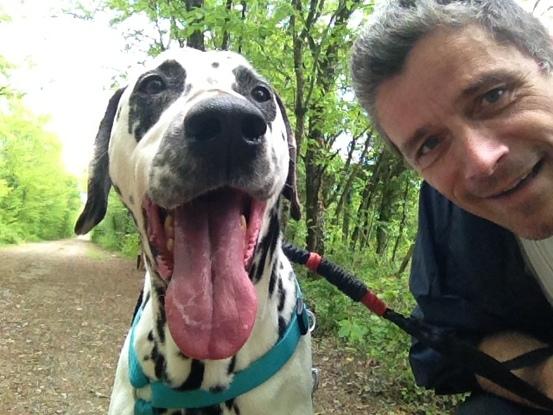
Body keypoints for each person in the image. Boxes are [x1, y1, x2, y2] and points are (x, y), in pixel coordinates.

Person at [350, 0, 553, 413]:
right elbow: (447, 343)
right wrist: (543, 374)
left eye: (493, 96)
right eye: (429, 145)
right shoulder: (450, 213)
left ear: (546, 64)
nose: (481, 161)